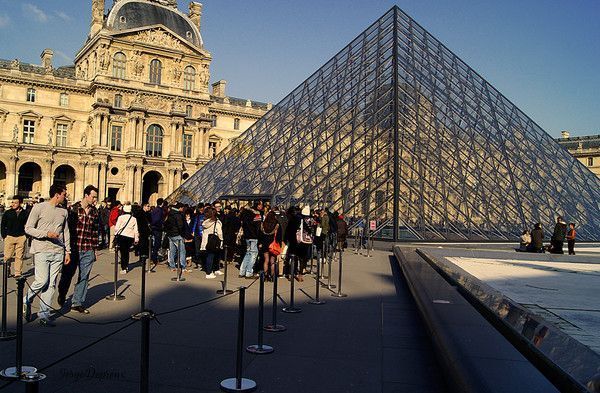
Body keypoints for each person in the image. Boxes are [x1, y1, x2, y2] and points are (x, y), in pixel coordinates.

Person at [23, 184, 71, 326]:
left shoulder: (64, 212)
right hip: (42, 249)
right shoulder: (39, 207)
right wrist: (46, 234)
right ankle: (27, 299)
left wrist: (67, 251)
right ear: (57, 194)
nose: (65, 196)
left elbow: (65, 232)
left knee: (51, 285)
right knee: (42, 281)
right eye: (64, 194)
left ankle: (44, 314)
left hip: (58, 251)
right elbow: (28, 228)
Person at [59, 185, 99, 314]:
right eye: (93, 197)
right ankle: (62, 293)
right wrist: (66, 249)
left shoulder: (94, 212)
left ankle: (77, 303)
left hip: (87, 248)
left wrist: (95, 249)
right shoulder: (73, 209)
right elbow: (66, 231)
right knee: (67, 275)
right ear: (86, 195)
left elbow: (94, 231)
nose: (95, 200)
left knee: (84, 276)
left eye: (96, 197)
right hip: (73, 248)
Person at [1, 195, 30, 278]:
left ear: (20, 203)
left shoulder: (25, 213)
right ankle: (7, 270)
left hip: (21, 237)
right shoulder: (7, 213)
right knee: (7, 256)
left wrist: (26, 235)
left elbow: (28, 225)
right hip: (9, 237)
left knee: (19, 256)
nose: (13, 204)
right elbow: (3, 225)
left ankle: (18, 272)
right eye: (12, 202)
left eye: (15, 202)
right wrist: (4, 236)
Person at [113, 203, 139, 274]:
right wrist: (136, 239)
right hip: (130, 237)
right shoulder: (134, 219)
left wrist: (115, 234)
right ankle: (126, 265)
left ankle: (124, 267)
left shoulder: (121, 217)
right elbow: (135, 230)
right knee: (127, 252)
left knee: (123, 252)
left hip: (122, 236)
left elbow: (116, 228)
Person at [239, 203, 261, 278]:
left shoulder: (245, 214)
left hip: (247, 236)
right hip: (254, 237)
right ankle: (249, 272)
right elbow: (258, 227)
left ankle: (242, 271)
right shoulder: (256, 215)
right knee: (253, 254)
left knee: (248, 253)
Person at [200, 206, 223, 279]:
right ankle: (209, 272)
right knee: (213, 256)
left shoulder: (205, 222)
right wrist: (221, 240)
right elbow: (219, 232)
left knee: (209, 255)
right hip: (215, 240)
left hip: (206, 240)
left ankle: (212, 270)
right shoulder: (216, 222)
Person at [163, 203, 186, 272]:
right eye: (182, 208)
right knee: (182, 251)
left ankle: (172, 266)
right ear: (180, 208)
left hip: (170, 235)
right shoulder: (178, 215)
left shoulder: (170, 213)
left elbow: (165, 224)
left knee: (172, 251)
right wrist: (183, 235)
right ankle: (183, 266)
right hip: (177, 235)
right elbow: (180, 226)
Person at [260, 210, 281, 281]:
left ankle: (265, 276)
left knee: (266, 260)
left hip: (265, 243)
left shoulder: (263, 224)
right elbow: (279, 236)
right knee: (272, 261)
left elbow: (260, 235)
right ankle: (272, 276)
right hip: (273, 244)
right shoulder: (277, 224)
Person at [149, 198, 165, 267]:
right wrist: (162, 224)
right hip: (157, 229)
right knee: (157, 244)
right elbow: (157, 220)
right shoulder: (159, 210)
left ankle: (153, 258)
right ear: (162, 203)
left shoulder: (155, 210)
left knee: (155, 244)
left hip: (154, 228)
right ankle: (154, 259)